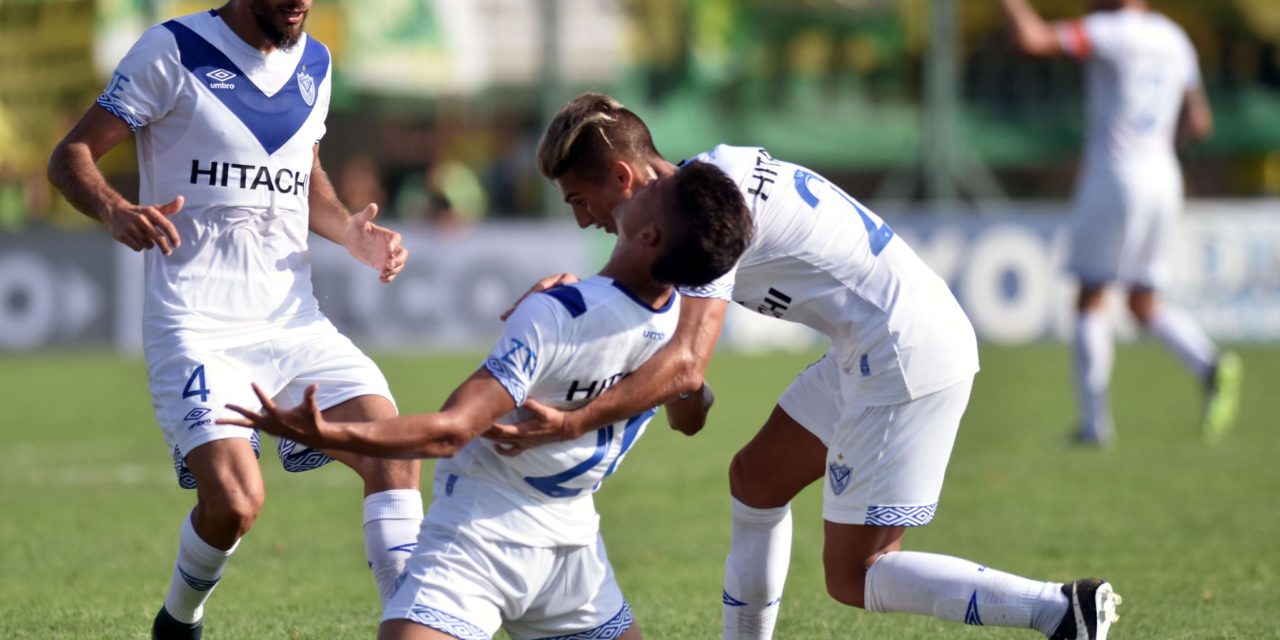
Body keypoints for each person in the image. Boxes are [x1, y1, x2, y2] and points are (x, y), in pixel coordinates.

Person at [488, 93, 1121, 640]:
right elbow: (666, 364)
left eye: (579, 198)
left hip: (903, 349)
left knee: (856, 575)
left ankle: (1060, 611)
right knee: (756, 480)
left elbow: (684, 372)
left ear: (624, 179)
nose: (582, 219)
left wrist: (577, 422)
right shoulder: (699, 189)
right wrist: (573, 301)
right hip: (873, 343)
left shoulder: (711, 205)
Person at [218, 161, 755, 640]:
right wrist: (679, 390)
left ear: (650, 235)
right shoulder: (678, 337)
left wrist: (329, 434)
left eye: (660, 188)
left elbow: (453, 429)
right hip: (574, 556)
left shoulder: (556, 313)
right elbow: (690, 411)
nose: (650, 179)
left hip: (479, 539)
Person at [46, 2, 423, 637]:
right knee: (236, 504)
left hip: (293, 322)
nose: (299, 3)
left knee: (395, 450)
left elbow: (303, 173)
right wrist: (114, 208)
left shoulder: (317, 62)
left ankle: (409, 625)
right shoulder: (172, 50)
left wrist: (349, 232)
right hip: (196, 327)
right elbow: (71, 155)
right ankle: (180, 619)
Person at [1000, 0, 1243, 445]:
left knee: (1091, 295)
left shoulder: (1109, 29)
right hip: (1164, 178)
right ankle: (1210, 364)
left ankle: (1095, 426)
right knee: (1142, 301)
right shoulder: (1174, 36)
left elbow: (1032, 40)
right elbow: (1200, 121)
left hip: (1115, 176)